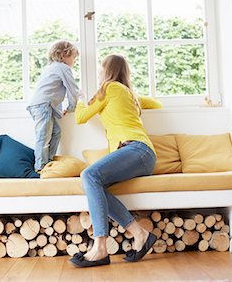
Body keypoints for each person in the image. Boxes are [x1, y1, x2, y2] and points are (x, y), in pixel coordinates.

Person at [70, 54, 161, 268]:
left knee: (89, 175)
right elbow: (156, 103)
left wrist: (81, 98)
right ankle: (140, 234)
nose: (100, 74)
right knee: (95, 185)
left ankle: (100, 247)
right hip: (142, 153)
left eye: (101, 69)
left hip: (135, 149)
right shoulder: (130, 94)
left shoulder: (109, 88)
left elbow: (80, 118)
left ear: (107, 71)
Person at [27, 40, 80, 173]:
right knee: (43, 136)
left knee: (55, 132)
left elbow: (52, 90)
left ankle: (48, 161)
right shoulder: (63, 68)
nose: (74, 61)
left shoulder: (51, 67)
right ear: (62, 55)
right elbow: (72, 89)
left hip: (40, 104)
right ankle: (41, 167)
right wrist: (71, 107)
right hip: (42, 105)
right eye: (73, 57)